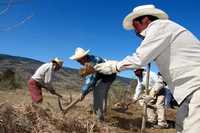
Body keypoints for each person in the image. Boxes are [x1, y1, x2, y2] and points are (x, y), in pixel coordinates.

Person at [94, 4, 200, 132]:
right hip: (190, 90)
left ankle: (161, 123)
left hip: (195, 88)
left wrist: (114, 66)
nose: (135, 31)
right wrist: (139, 97)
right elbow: (146, 80)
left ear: (145, 20)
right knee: (182, 126)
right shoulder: (164, 32)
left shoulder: (159, 26)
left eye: (135, 26)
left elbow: (140, 58)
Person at [70, 47, 116, 121]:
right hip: (102, 75)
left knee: (98, 92)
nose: (78, 62)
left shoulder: (93, 62)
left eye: (78, 60)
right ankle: (103, 110)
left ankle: (99, 117)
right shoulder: (89, 61)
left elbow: (91, 79)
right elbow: (92, 81)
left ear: (83, 57)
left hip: (109, 76)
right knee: (101, 92)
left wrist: (83, 93)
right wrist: (84, 92)